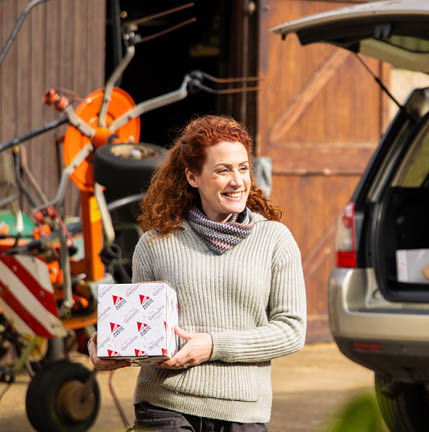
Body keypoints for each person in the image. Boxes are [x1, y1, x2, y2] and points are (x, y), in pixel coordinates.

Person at [88, 115, 307, 431]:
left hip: (242, 414)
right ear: (192, 176)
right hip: (165, 405)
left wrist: (213, 345)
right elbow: (143, 333)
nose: (237, 181)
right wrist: (111, 348)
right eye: (223, 170)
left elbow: (291, 330)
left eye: (243, 168)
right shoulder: (155, 244)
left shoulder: (274, 240)